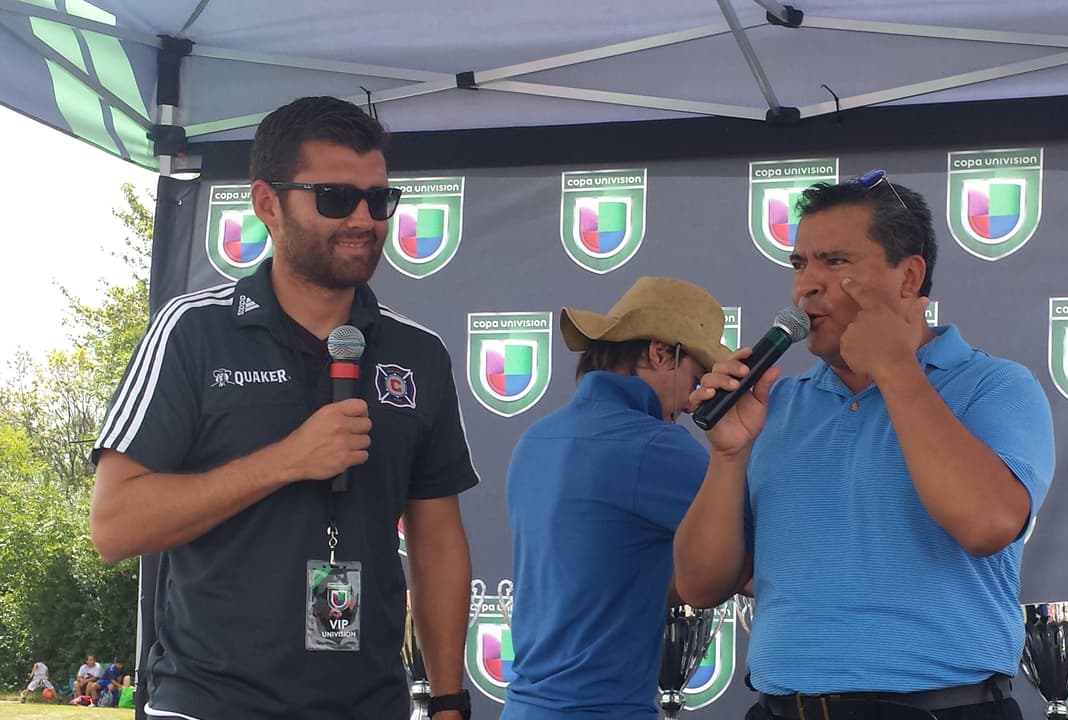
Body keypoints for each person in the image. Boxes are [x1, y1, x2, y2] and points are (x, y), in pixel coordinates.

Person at [90, 96, 478, 720]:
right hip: (210, 703)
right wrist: (286, 461)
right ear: (267, 203)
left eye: (378, 201)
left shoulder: (418, 354)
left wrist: (449, 699)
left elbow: (436, 541)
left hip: (369, 704)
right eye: (334, 198)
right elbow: (115, 526)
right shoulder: (193, 332)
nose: (362, 219)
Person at [674, 174, 1055, 720]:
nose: (806, 286)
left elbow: (987, 523)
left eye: (834, 262)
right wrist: (728, 454)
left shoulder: (994, 386)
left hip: (936, 710)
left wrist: (895, 366)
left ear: (910, 276)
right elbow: (700, 585)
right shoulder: (775, 407)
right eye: (798, 264)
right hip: (781, 708)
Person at [502, 277, 733, 720]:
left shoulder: (535, 439)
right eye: (698, 375)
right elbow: (751, 565)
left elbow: (601, 575)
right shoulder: (655, 446)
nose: (694, 401)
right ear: (660, 352)